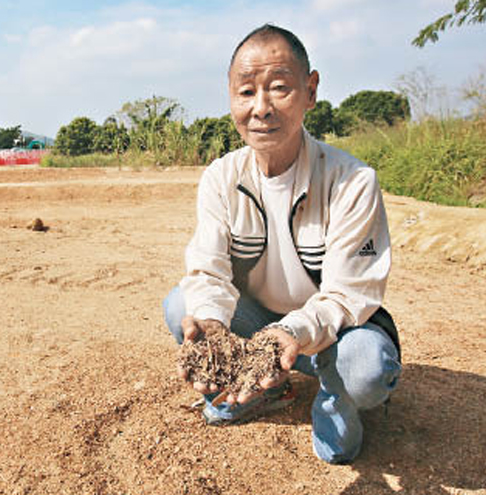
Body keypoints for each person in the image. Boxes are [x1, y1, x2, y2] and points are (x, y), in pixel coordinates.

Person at [163, 24, 401, 465]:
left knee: (366, 370)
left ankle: (336, 395)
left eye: (279, 88)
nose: (261, 108)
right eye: (246, 92)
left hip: (332, 335)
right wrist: (215, 329)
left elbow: (350, 294)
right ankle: (260, 389)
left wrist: (291, 333)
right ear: (230, 97)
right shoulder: (221, 178)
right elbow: (208, 269)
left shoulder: (351, 181)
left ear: (310, 91)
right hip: (260, 325)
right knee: (183, 305)